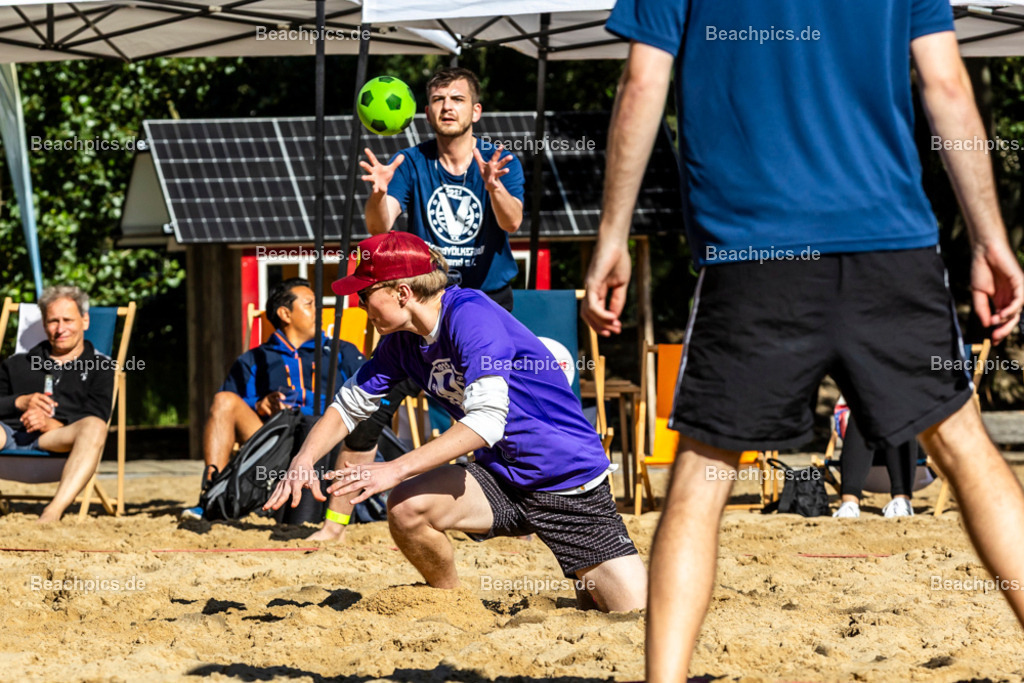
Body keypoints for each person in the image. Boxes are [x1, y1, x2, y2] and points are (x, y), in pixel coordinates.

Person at [582, 0, 1024, 679]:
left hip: (754, 249)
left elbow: (644, 82)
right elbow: (947, 86)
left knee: (701, 475)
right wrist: (990, 239)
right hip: (887, 238)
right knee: (966, 448)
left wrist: (612, 238)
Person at [266, 231, 647, 612]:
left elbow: (486, 422)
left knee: (634, 615)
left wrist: (395, 469)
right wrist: (303, 461)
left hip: (565, 483)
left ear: (402, 293)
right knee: (406, 508)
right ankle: (453, 604)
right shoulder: (401, 339)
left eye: (365, 294)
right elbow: (347, 407)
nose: (360, 303)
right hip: (500, 478)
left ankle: (587, 578)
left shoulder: (471, 316)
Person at [181, 277, 383, 529]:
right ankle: (212, 495)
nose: (319, 312)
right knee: (224, 400)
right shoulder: (255, 359)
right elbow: (234, 407)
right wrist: (259, 405)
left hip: (329, 441)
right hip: (275, 445)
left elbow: (375, 396)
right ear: (285, 314)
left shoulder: (341, 351)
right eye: (310, 304)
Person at [361, 67, 524, 312]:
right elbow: (377, 228)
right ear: (427, 113)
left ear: (476, 111)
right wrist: (378, 195)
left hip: (489, 298)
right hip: (427, 296)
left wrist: (495, 188)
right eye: (438, 99)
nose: (447, 107)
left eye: (458, 99)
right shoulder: (410, 162)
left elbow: (512, 223)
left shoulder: (499, 161)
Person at [0, 285, 113, 523]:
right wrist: (20, 402)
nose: (60, 329)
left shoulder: (101, 366)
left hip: (55, 439)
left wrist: (53, 424)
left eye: (68, 320)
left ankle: (52, 512)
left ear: (85, 321)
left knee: (95, 427)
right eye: (53, 321)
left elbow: (98, 413)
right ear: (44, 325)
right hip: (8, 433)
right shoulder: (17, 363)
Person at [833, 402, 919, 518]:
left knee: (897, 408)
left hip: (917, 469)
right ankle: (849, 505)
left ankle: (902, 502)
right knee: (863, 411)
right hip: (860, 469)